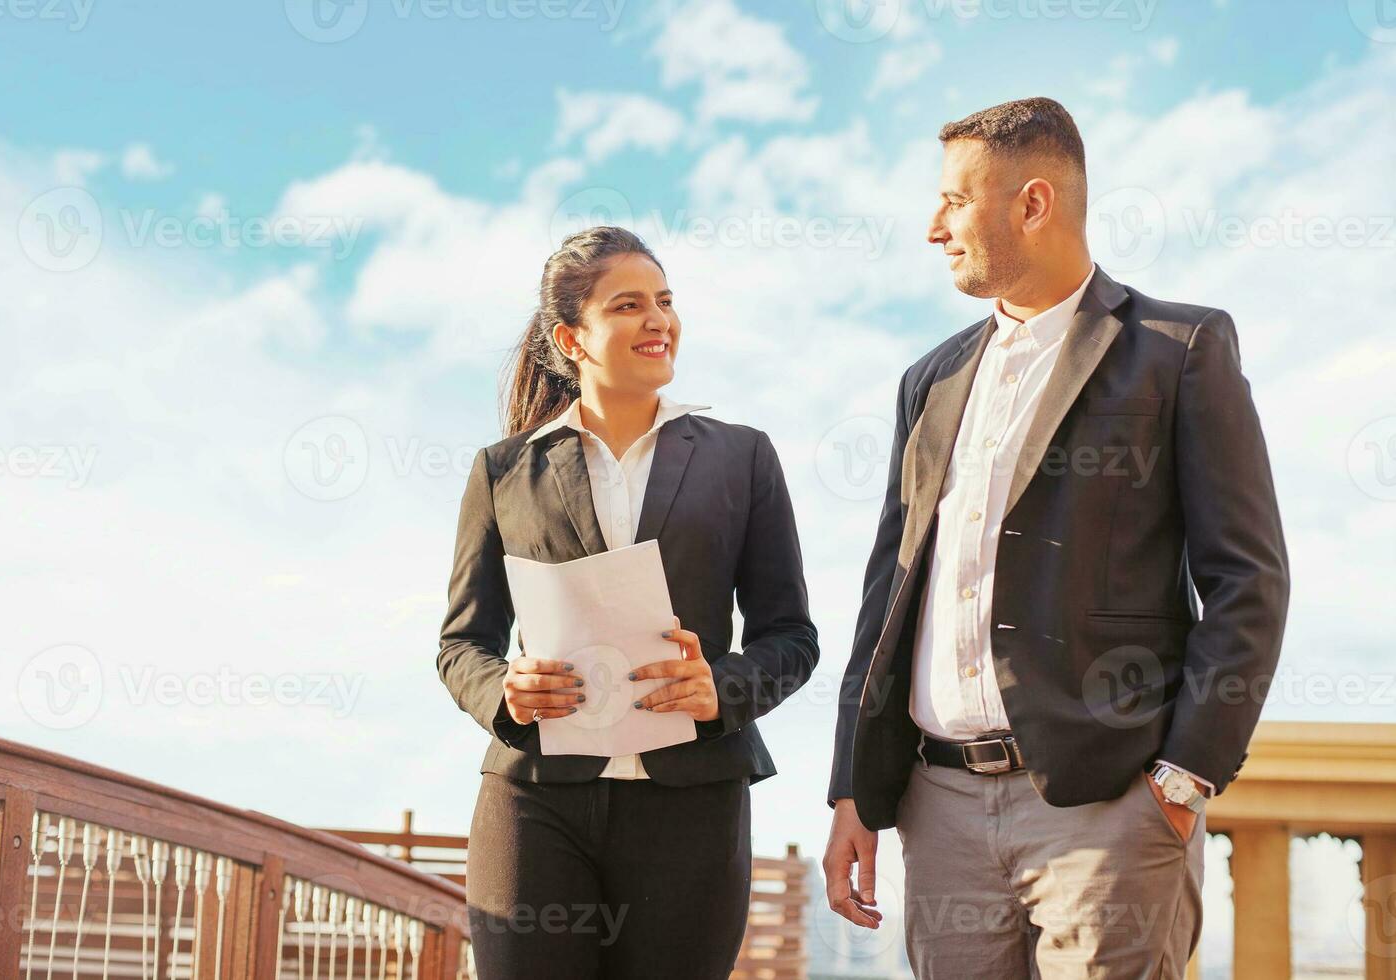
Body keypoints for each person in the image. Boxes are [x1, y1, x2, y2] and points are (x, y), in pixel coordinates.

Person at [823, 97, 1290, 979]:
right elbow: (889, 592)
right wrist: (853, 784)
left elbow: (1247, 580)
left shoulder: (1178, 349)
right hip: (939, 809)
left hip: (1108, 811)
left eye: (955, 201)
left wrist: (1185, 775)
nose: (934, 228)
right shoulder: (930, 379)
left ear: (1032, 204)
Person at [438, 225, 819, 979]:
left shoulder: (742, 458)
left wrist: (724, 686)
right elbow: (462, 644)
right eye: (629, 305)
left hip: (692, 802)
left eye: (666, 301)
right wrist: (505, 691)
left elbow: (792, 636)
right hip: (535, 798)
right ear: (571, 338)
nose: (660, 320)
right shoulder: (503, 471)